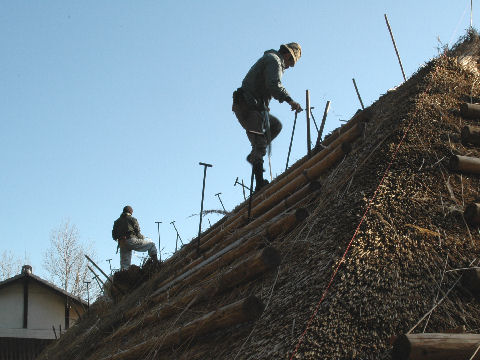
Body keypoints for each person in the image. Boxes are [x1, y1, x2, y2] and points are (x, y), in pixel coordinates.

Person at [232, 42, 303, 191]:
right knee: (259, 143)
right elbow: (274, 84)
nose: (289, 67)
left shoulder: (271, 59)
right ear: (288, 55)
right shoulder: (274, 60)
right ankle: (259, 183)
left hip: (255, 107)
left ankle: (255, 155)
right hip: (248, 107)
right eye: (291, 62)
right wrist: (290, 100)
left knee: (275, 126)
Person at [112, 205, 158, 270]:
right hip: (131, 240)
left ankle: (124, 276)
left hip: (122, 243)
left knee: (125, 265)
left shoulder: (116, 222)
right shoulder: (132, 219)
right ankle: (156, 264)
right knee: (151, 245)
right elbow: (137, 233)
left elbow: (114, 236)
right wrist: (142, 238)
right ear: (130, 212)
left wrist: (121, 239)